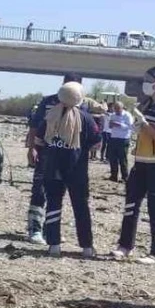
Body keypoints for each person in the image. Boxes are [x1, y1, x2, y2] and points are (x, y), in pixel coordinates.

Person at [25, 73, 106, 244]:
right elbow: (35, 126)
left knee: (58, 197)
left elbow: (88, 133)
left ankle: (50, 231)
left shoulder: (82, 106)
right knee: (39, 191)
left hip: (71, 160)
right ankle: (34, 228)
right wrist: (32, 148)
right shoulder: (48, 102)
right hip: (46, 155)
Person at [112, 67, 155, 264]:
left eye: (147, 80)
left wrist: (144, 124)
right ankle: (125, 246)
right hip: (141, 160)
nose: (144, 83)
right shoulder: (149, 103)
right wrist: (137, 125)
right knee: (131, 204)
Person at [105, 100, 133, 182]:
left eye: (118, 109)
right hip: (114, 138)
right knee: (113, 158)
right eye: (115, 109)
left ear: (121, 108)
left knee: (122, 159)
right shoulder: (113, 115)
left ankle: (125, 177)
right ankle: (113, 176)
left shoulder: (127, 115)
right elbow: (110, 126)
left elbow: (130, 127)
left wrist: (119, 124)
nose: (116, 111)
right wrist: (111, 124)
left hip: (123, 139)